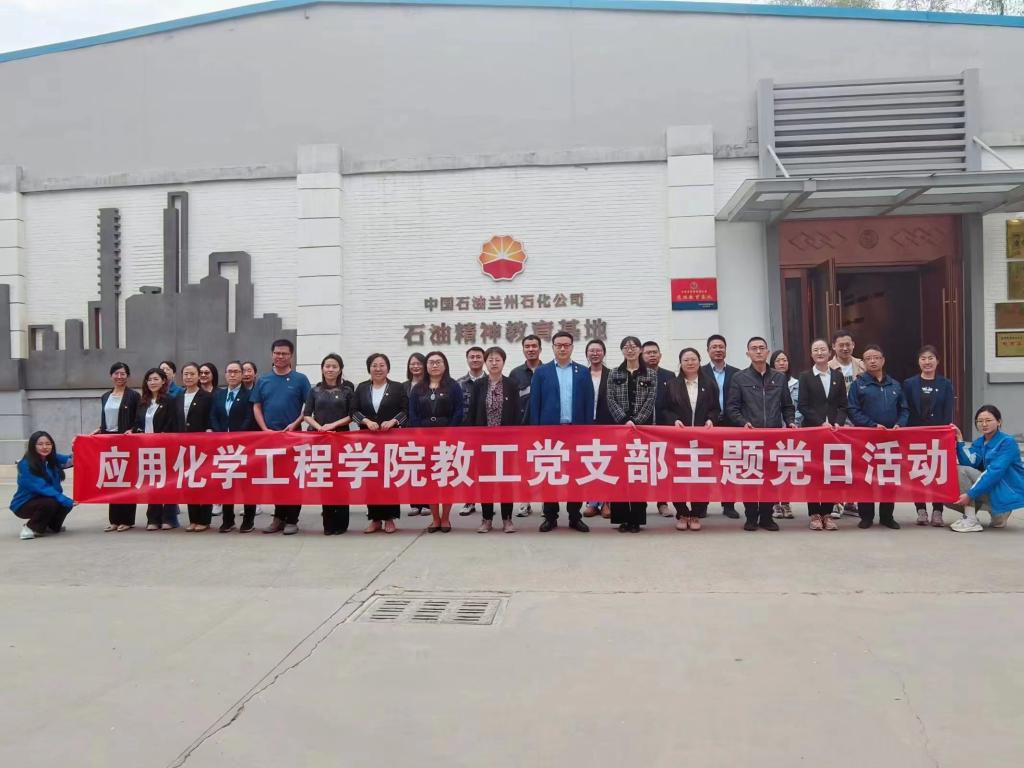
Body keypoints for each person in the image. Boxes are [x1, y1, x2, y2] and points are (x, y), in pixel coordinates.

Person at [725, 336, 797, 532]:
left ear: (767, 352)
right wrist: (743, 422)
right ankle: (751, 517)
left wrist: (790, 421)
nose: (758, 351)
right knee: (750, 478)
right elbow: (732, 407)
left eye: (761, 348)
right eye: (754, 348)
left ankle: (766, 517)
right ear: (747, 353)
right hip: (750, 437)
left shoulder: (779, 378)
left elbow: (787, 406)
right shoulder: (739, 378)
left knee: (770, 478)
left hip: (773, 436)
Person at [529, 331, 594, 533]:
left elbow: (589, 403)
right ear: (553, 347)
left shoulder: (583, 372)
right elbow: (535, 404)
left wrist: (587, 432)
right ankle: (550, 517)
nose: (563, 348)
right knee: (550, 474)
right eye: (559, 345)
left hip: (576, 431)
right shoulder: (542, 372)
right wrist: (536, 432)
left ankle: (575, 516)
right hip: (550, 432)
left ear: (572, 347)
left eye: (566, 345)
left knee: (575, 474)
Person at [253, 339, 312, 535]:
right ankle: (278, 517)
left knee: (293, 478)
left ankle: (292, 520)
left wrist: (294, 424)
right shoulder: (263, 380)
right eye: (277, 353)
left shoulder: (300, 379)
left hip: (293, 437)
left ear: (291, 356)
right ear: (272, 354)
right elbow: (257, 406)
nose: (280, 356)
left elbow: (308, 407)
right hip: (270, 438)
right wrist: (264, 429)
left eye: (284, 353)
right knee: (275, 479)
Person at [847, 344, 909, 530]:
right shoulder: (858, 385)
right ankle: (866, 516)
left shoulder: (895, 385)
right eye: (868, 358)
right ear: (863, 363)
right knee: (865, 477)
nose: (872, 361)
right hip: (866, 439)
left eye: (876, 357)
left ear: (883, 360)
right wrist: (872, 425)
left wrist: (900, 424)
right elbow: (853, 410)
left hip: (890, 440)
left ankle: (887, 516)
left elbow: (904, 409)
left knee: (888, 478)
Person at [660, 347, 719, 531]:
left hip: (703, 439)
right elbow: (664, 409)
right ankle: (682, 512)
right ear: (680, 363)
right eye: (686, 360)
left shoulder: (709, 383)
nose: (690, 363)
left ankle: (696, 513)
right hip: (678, 439)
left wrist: (711, 419)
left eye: (693, 359)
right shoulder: (671, 385)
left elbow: (715, 408)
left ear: (699, 361)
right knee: (678, 476)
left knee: (701, 476)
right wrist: (674, 420)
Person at [607, 336, 658, 533]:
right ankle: (622, 518)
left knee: (638, 473)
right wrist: (623, 420)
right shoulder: (614, 373)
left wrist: (636, 421)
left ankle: (636, 519)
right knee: (619, 474)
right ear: (622, 351)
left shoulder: (650, 374)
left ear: (640, 350)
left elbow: (651, 400)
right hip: (619, 430)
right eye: (626, 347)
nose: (630, 350)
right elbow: (610, 398)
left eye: (634, 347)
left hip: (641, 431)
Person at [409, 351, 465, 533]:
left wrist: (449, 432)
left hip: (448, 439)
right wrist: (420, 434)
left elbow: (459, 411)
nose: (434, 365)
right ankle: (435, 519)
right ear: (426, 366)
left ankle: (446, 518)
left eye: (438, 362)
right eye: (431, 362)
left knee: (446, 479)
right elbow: (413, 413)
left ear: (445, 365)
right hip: (425, 440)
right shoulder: (418, 388)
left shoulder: (453, 386)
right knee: (430, 480)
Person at [352, 353, 408, 533]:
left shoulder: (398, 387)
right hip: (368, 441)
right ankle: (375, 518)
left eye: (382, 365)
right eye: (374, 365)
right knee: (371, 479)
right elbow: (353, 411)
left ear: (388, 368)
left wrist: (393, 421)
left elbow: (405, 411)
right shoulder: (362, 388)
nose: (378, 369)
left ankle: (390, 518)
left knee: (389, 478)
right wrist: (366, 421)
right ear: (369, 368)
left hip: (390, 440)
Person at [797, 338, 848, 531]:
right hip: (813, 432)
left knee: (830, 473)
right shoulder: (805, 377)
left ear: (829, 352)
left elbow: (843, 405)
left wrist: (837, 422)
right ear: (811, 354)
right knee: (813, 473)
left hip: (833, 433)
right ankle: (814, 514)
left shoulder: (837, 376)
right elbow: (803, 405)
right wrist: (820, 422)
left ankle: (827, 513)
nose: (819, 353)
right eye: (816, 350)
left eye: (823, 349)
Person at [468, 346, 519, 533]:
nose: (494, 363)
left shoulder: (512, 384)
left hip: (506, 442)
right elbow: (473, 412)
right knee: (486, 481)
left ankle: (507, 518)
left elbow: (517, 412)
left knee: (506, 481)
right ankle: (487, 518)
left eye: (498, 360)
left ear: (503, 362)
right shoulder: (479, 385)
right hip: (484, 442)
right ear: (485, 362)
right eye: (490, 360)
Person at [303, 353, 355, 535]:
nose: (330, 369)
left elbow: (352, 415)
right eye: (327, 366)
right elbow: (307, 414)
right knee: (324, 479)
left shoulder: (347, 391)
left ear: (340, 370)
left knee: (341, 480)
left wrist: (332, 425)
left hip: (341, 439)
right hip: (321, 440)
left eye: (334, 366)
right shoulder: (315, 391)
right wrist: (320, 428)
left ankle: (341, 523)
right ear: (322, 368)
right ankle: (328, 522)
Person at [903, 345, 955, 527]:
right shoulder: (909, 384)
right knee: (917, 472)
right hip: (915, 436)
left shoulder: (945, 384)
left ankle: (938, 511)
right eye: (923, 358)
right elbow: (905, 409)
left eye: (931, 358)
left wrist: (946, 432)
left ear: (937, 361)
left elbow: (948, 410)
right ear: (918, 362)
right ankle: (921, 510)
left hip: (938, 437)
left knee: (937, 473)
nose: (927, 362)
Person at [951, 405, 1024, 532]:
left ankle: (975, 518)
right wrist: (960, 440)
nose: (984, 424)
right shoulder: (979, 442)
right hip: (993, 489)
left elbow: (994, 472)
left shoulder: (1007, 442)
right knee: (951, 491)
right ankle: (992, 513)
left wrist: (970, 494)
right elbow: (970, 463)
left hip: (1006, 491)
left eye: (988, 420)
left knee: (961, 471)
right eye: (980, 421)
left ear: (999, 422)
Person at [211, 360, 257, 533]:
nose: (232, 375)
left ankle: (248, 520)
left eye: (236, 372)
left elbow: (249, 417)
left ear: (242, 374)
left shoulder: (249, 395)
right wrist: (220, 434)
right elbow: (213, 416)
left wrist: (237, 436)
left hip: (244, 446)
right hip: (223, 447)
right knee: (226, 482)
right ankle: (228, 520)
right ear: (225, 374)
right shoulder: (219, 395)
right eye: (229, 371)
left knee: (246, 484)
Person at [98, 361, 140, 532]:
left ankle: (127, 520)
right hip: (109, 442)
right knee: (113, 480)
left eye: (123, 374)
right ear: (111, 376)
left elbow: (138, 419)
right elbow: (105, 419)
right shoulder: (105, 396)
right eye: (116, 373)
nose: (120, 377)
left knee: (127, 480)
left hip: (126, 441)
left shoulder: (133, 396)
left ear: (128, 376)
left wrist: (133, 430)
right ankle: (114, 520)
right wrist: (99, 431)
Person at [135, 367, 179, 530]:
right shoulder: (143, 401)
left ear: (163, 381)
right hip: (147, 449)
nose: (152, 382)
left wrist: (163, 435)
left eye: (156, 379)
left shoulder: (170, 400)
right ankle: (153, 518)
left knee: (168, 483)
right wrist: (135, 431)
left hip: (166, 448)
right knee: (152, 484)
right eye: (150, 379)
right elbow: (138, 423)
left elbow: (173, 422)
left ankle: (169, 518)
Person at [703, 334, 741, 519]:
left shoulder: (737, 373)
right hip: (707, 424)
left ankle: (729, 504)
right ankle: (701, 504)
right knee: (705, 464)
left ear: (726, 349)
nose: (718, 350)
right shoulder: (699, 371)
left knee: (729, 464)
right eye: (714, 347)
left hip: (730, 423)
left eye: (721, 346)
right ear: (708, 350)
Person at [828, 329, 865, 519]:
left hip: (859, 420)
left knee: (857, 461)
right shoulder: (827, 367)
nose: (845, 348)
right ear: (833, 347)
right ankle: (837, 501)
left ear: (853, 345)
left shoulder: (863, 365)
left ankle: (853, 500)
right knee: (838, 461)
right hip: (837, 420)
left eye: (847, 344)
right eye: (840, 345)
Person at [10, 431, 75, 540]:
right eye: (40, 444)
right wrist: (64, 499)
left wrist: (79, 446)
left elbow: (71, 460)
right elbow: (41, 487)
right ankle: (30, 528)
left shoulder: (52, 458)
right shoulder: (25, 464)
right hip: (24, 504)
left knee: (64, 504)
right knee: (52, 502)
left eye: (48, 444)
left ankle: (50, 526)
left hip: (43, 498)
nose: (45, 447)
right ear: (33, 446)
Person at [175, 362, 214, 532]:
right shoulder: (178, 397)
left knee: (203, 482)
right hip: (183, 447)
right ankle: (193, 519)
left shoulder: (207, 397)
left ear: (199, 376)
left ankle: (204, 519)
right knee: (189, 482)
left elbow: (211, 418)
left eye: (192, 374)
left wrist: (209, 430)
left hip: (202, 446)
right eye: (186, 374)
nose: (189, 377)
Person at [510, 334, 543, 518]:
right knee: (524, 467)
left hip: (545, 428)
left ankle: (547, 503)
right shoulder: (515, 374)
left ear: (540, 349)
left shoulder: (548, 370)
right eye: (527, 346)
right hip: (523, 428)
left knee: (546, 464)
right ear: (523, 349)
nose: (531, 349)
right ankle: (525, 502)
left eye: (534, 346)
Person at [642, 340, 676, 518]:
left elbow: (674, 402)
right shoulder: (636, 375)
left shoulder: (669, 376)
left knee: (662, 467)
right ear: (642, 355)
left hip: (664, 429)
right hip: (642, 429)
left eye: (655, 352)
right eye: (648, 353)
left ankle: (662, 502)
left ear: (660, 355)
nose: (652, 355)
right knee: (641, 465)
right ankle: (640, 504)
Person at [769, 349, 801, 519]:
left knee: (787, 468)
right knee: (773, 469)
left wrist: (793, 422)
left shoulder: (797, 384)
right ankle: (775, 503)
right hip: (773, 431)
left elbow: (800, 406)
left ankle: (786, 503)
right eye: (778, 360)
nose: (782, 363)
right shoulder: (768, 382)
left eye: (784, 360)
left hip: (791, 431)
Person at [583, 339, 612, 519]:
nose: (595, 353)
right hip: (586, 424)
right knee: (589, 462)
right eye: (591, 351)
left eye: (598, 350)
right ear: (587, 354)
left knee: (606, 462)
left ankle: (607, 501)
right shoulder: (581, 374)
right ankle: (592, 502)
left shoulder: (613, 374)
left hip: (606, 423)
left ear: (604, 353)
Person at [457, 346, 486, 516]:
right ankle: (469, 501)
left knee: (486, 469)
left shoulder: (492, 381)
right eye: (472, 357)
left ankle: (487, 503)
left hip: (487, 433)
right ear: (467, 359)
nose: (475, 359)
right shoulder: (459, 383)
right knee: (467, 468)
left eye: (478, 356)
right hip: (465, 433)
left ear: (484, 359)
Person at [403, 352, 429, 517]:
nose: (415, 366)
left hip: (426, 430)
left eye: (419, 363)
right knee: (412, 466)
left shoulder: (430, 384)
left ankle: (426, 503)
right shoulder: (403, 386)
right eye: (412, 363)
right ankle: (414, 503)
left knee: (426, 467)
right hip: (408, 430)